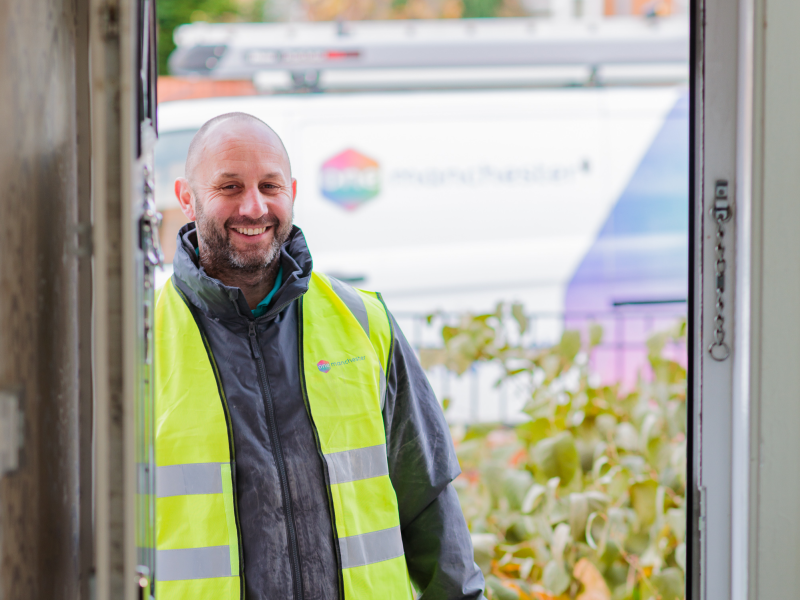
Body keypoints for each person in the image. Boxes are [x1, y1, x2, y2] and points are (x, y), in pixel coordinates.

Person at [154, 111, 485, 599]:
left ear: (291, 190)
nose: (254, 206)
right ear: (187, 198)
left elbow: (428, 503)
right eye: (229, 187)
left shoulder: (363, 322)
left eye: (270, 186)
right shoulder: (139, 346)